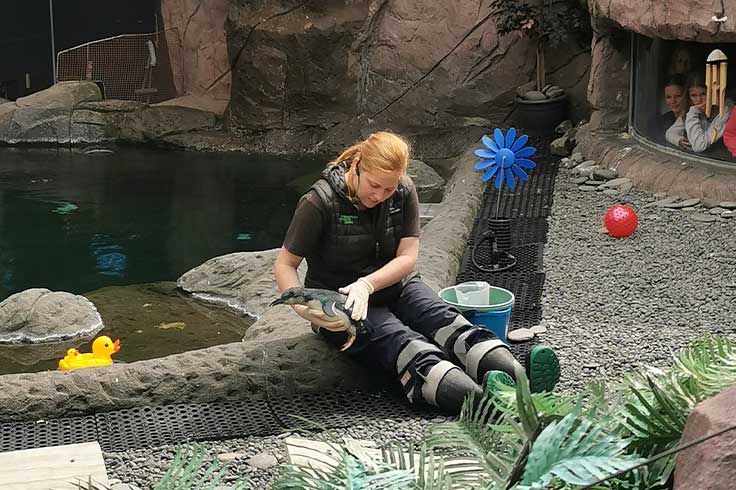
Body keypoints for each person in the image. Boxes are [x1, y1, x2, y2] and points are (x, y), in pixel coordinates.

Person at [273, 131, 560, 414]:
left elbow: (407, 257)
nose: (381, 195)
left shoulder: (403, 189)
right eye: (374, 186)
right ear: (358, 167)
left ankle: (521, 378)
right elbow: (285, 264)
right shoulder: (318, 201)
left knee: (448, 322)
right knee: (407, 345)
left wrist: (367, 284)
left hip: (397, 286)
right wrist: (307, 310)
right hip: (346, 303)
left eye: (389, 188)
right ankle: (485, 403)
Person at [666, 72, 732, 153]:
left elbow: (699, 146)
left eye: (703, 94)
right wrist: (679, 140)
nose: (698, 100)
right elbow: (670, 133)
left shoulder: (725, 112)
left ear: (713, 93)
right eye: (693, 95)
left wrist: (693, 113)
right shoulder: (693, 110)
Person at [650, 74, 687, 145]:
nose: (673, 101)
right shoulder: (660, 122)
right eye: (668, 97)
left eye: (678, 96)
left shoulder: (695, 120)